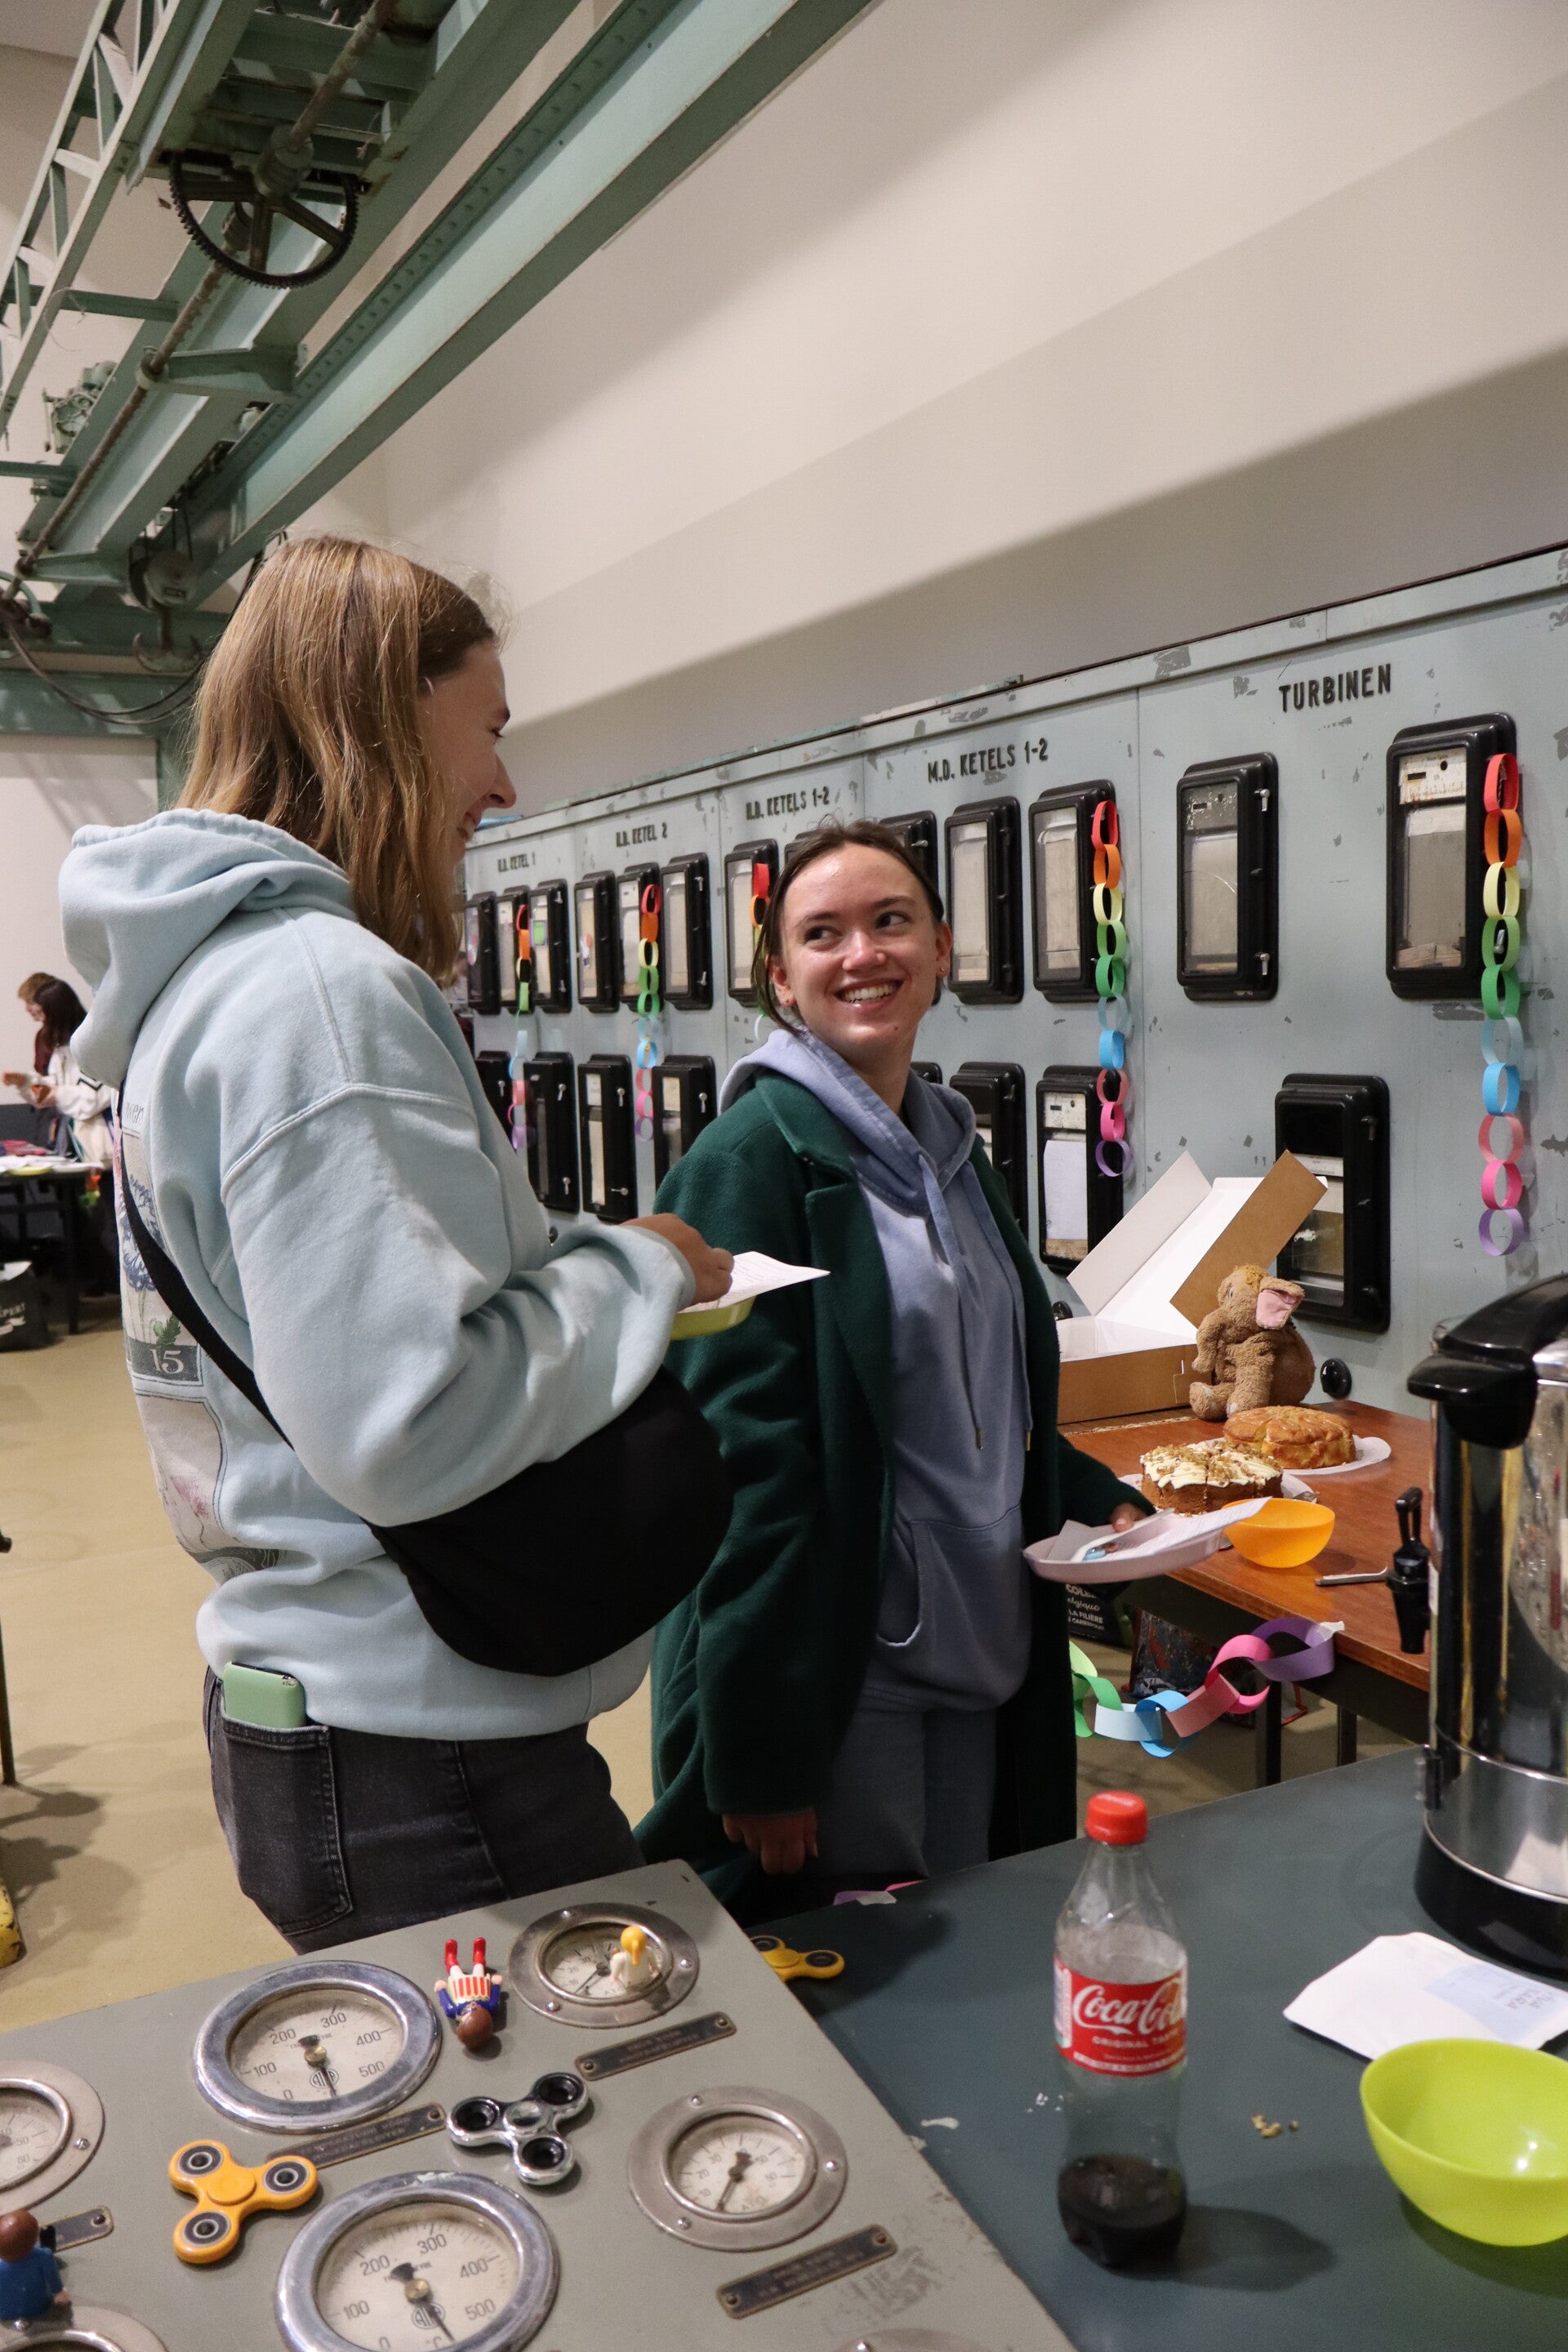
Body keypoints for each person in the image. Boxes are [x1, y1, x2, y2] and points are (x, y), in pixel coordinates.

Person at [59, 537, 732, 1949]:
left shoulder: (203, 991)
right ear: (381, 718)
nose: (504, 784)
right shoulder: (319, 994)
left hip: (328, 1717)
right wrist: (645, 1266)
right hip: (424, 1756)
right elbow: (405, 1422)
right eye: (489, 728)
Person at [639, 820, 1147, 1916]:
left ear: (943, 949)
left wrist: (1094, 1497)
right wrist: (764, 1751)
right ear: (782, 977)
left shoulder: (952, 1149)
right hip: (844, 1676)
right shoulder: (752, 1164)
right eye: (823, 934)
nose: (862, 953)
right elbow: (743, 1473)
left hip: (983, 1644)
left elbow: (975, 1391)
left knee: (975, 1937)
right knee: (862, 1975)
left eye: (891, 921)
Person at [5, 975, 115, 1163]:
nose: (41, 1023)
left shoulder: (91, 1047)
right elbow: (51, 1087)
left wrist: (57, 1094)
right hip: (71, 1140)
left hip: (101, 1146)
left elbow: (94, 1098)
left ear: (56, 1014)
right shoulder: (61, 1049)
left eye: (42, 1014)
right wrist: (26, 1083)